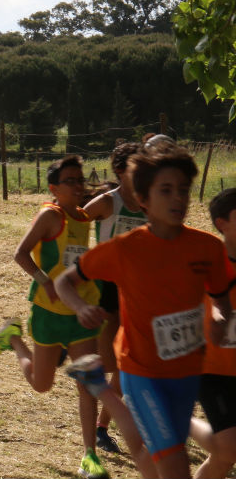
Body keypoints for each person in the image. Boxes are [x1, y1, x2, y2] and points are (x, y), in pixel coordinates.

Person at [56, 144, 234, 479]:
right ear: (143, 199)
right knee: (174, 466)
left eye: (183, 190)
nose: (177, 198)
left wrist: (220, 318)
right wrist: (81, 308)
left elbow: (220, 298)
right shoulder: (125, 249)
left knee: (149, 458)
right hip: (141, 371)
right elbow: (66, 281)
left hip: (186, 372)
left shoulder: (207, 248)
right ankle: (104, 387)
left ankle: (99, 386)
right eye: (165, 190)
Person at [0, 155, 107, 479]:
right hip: (48, 311)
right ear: (54, 187)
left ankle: (90, 457)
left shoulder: (83, 216)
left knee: (88, 385)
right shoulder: (49, 216)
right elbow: (20, 253)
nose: (79, 185)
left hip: (81, 312)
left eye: (81, 179)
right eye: (71, 181)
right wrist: (45, 282)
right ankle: (12, 338)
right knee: (42, 385)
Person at [82, 141, 146, 453]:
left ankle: (102, 428)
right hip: (105, 287)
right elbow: (74, 224)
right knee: (107, 360)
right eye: (137, 165)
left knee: (126, 360)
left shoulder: (150, 204)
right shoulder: (108, 202)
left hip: (136, 288)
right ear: (121, 171)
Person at [188, 188, 236, 479]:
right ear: (222, 224)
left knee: (223, 459)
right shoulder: (205, 264)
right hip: (212, 370)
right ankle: (179, 418)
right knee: (230, 449)